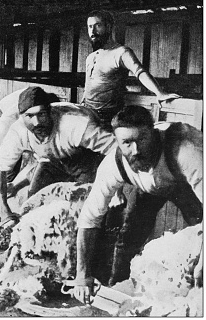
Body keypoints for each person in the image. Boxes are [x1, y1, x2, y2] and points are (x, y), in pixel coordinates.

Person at [74, 105, 203, 305]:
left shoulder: (186, 151)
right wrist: (82, 276)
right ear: (117, 142)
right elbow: (89, 219)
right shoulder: (112, 164)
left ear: (154, 134)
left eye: (142, 139)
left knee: (198, 246)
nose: (135, 150)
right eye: (127, 143)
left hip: (185, 185)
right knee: (129, 237)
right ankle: (119, 293)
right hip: (149, 188)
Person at [0, 86, 117, 230]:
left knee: (84, 209)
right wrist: (4, 214)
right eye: (30, 116)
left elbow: (116, 150)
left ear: (50, 112)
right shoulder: (18, 131)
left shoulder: (76, 124)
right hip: (51, 161)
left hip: (86, 158)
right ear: (21, 116)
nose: (37, 122)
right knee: (33, 203)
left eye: (42, 114)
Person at [82, 10, 181, 129]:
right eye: (90, 27)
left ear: (108, 27)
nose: (92, 32)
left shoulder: (121, 53)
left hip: (108, 119)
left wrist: (159, 92)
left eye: (98, 25)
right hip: (87, 115)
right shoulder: (90, 57)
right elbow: (89, 85)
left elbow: (140, 71)